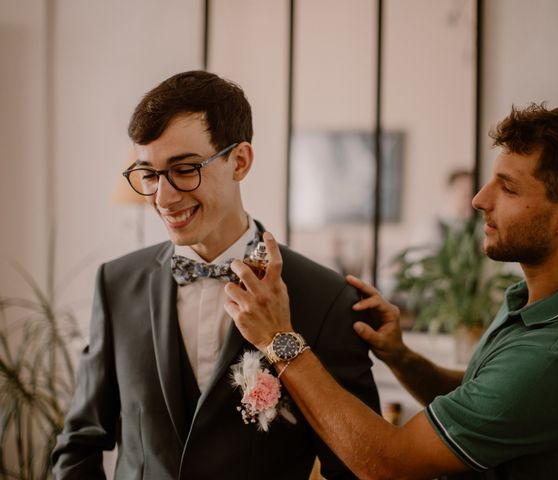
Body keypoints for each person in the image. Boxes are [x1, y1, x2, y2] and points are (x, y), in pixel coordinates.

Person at [225, 103, 558, 479]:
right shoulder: (541, 303)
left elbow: (390, 464)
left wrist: (276, 338)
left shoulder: (554, 358)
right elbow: (483, 398)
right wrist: (401, 357)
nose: (480, 199)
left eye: (508, 188)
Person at [52, 70, 380, 479]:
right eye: (150, 174)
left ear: (239, 161)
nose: (163, 198)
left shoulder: (327, 298)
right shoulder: (116, 284)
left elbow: (355, 467)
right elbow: (80, 441)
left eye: (185, 168)